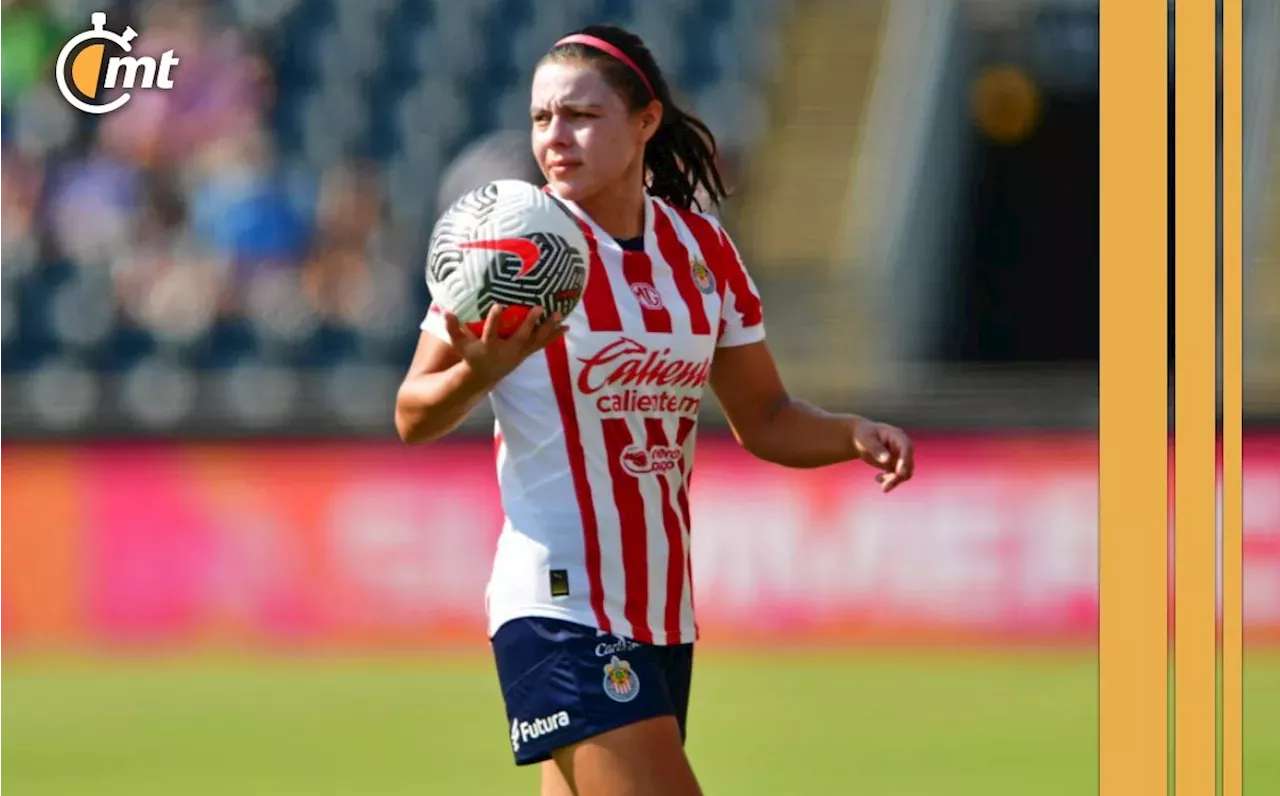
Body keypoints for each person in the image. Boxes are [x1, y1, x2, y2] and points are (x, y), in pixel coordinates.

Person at [394, 24, 915, 796]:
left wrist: (849, 433)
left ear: (645, 121)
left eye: (580, 115)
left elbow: (764, 416)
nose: (555, 137)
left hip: (664, 613)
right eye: (542, 119)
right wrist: (482, 370)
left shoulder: (702, 250)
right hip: (559, 602)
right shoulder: (508, 243)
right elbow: (413, 413)